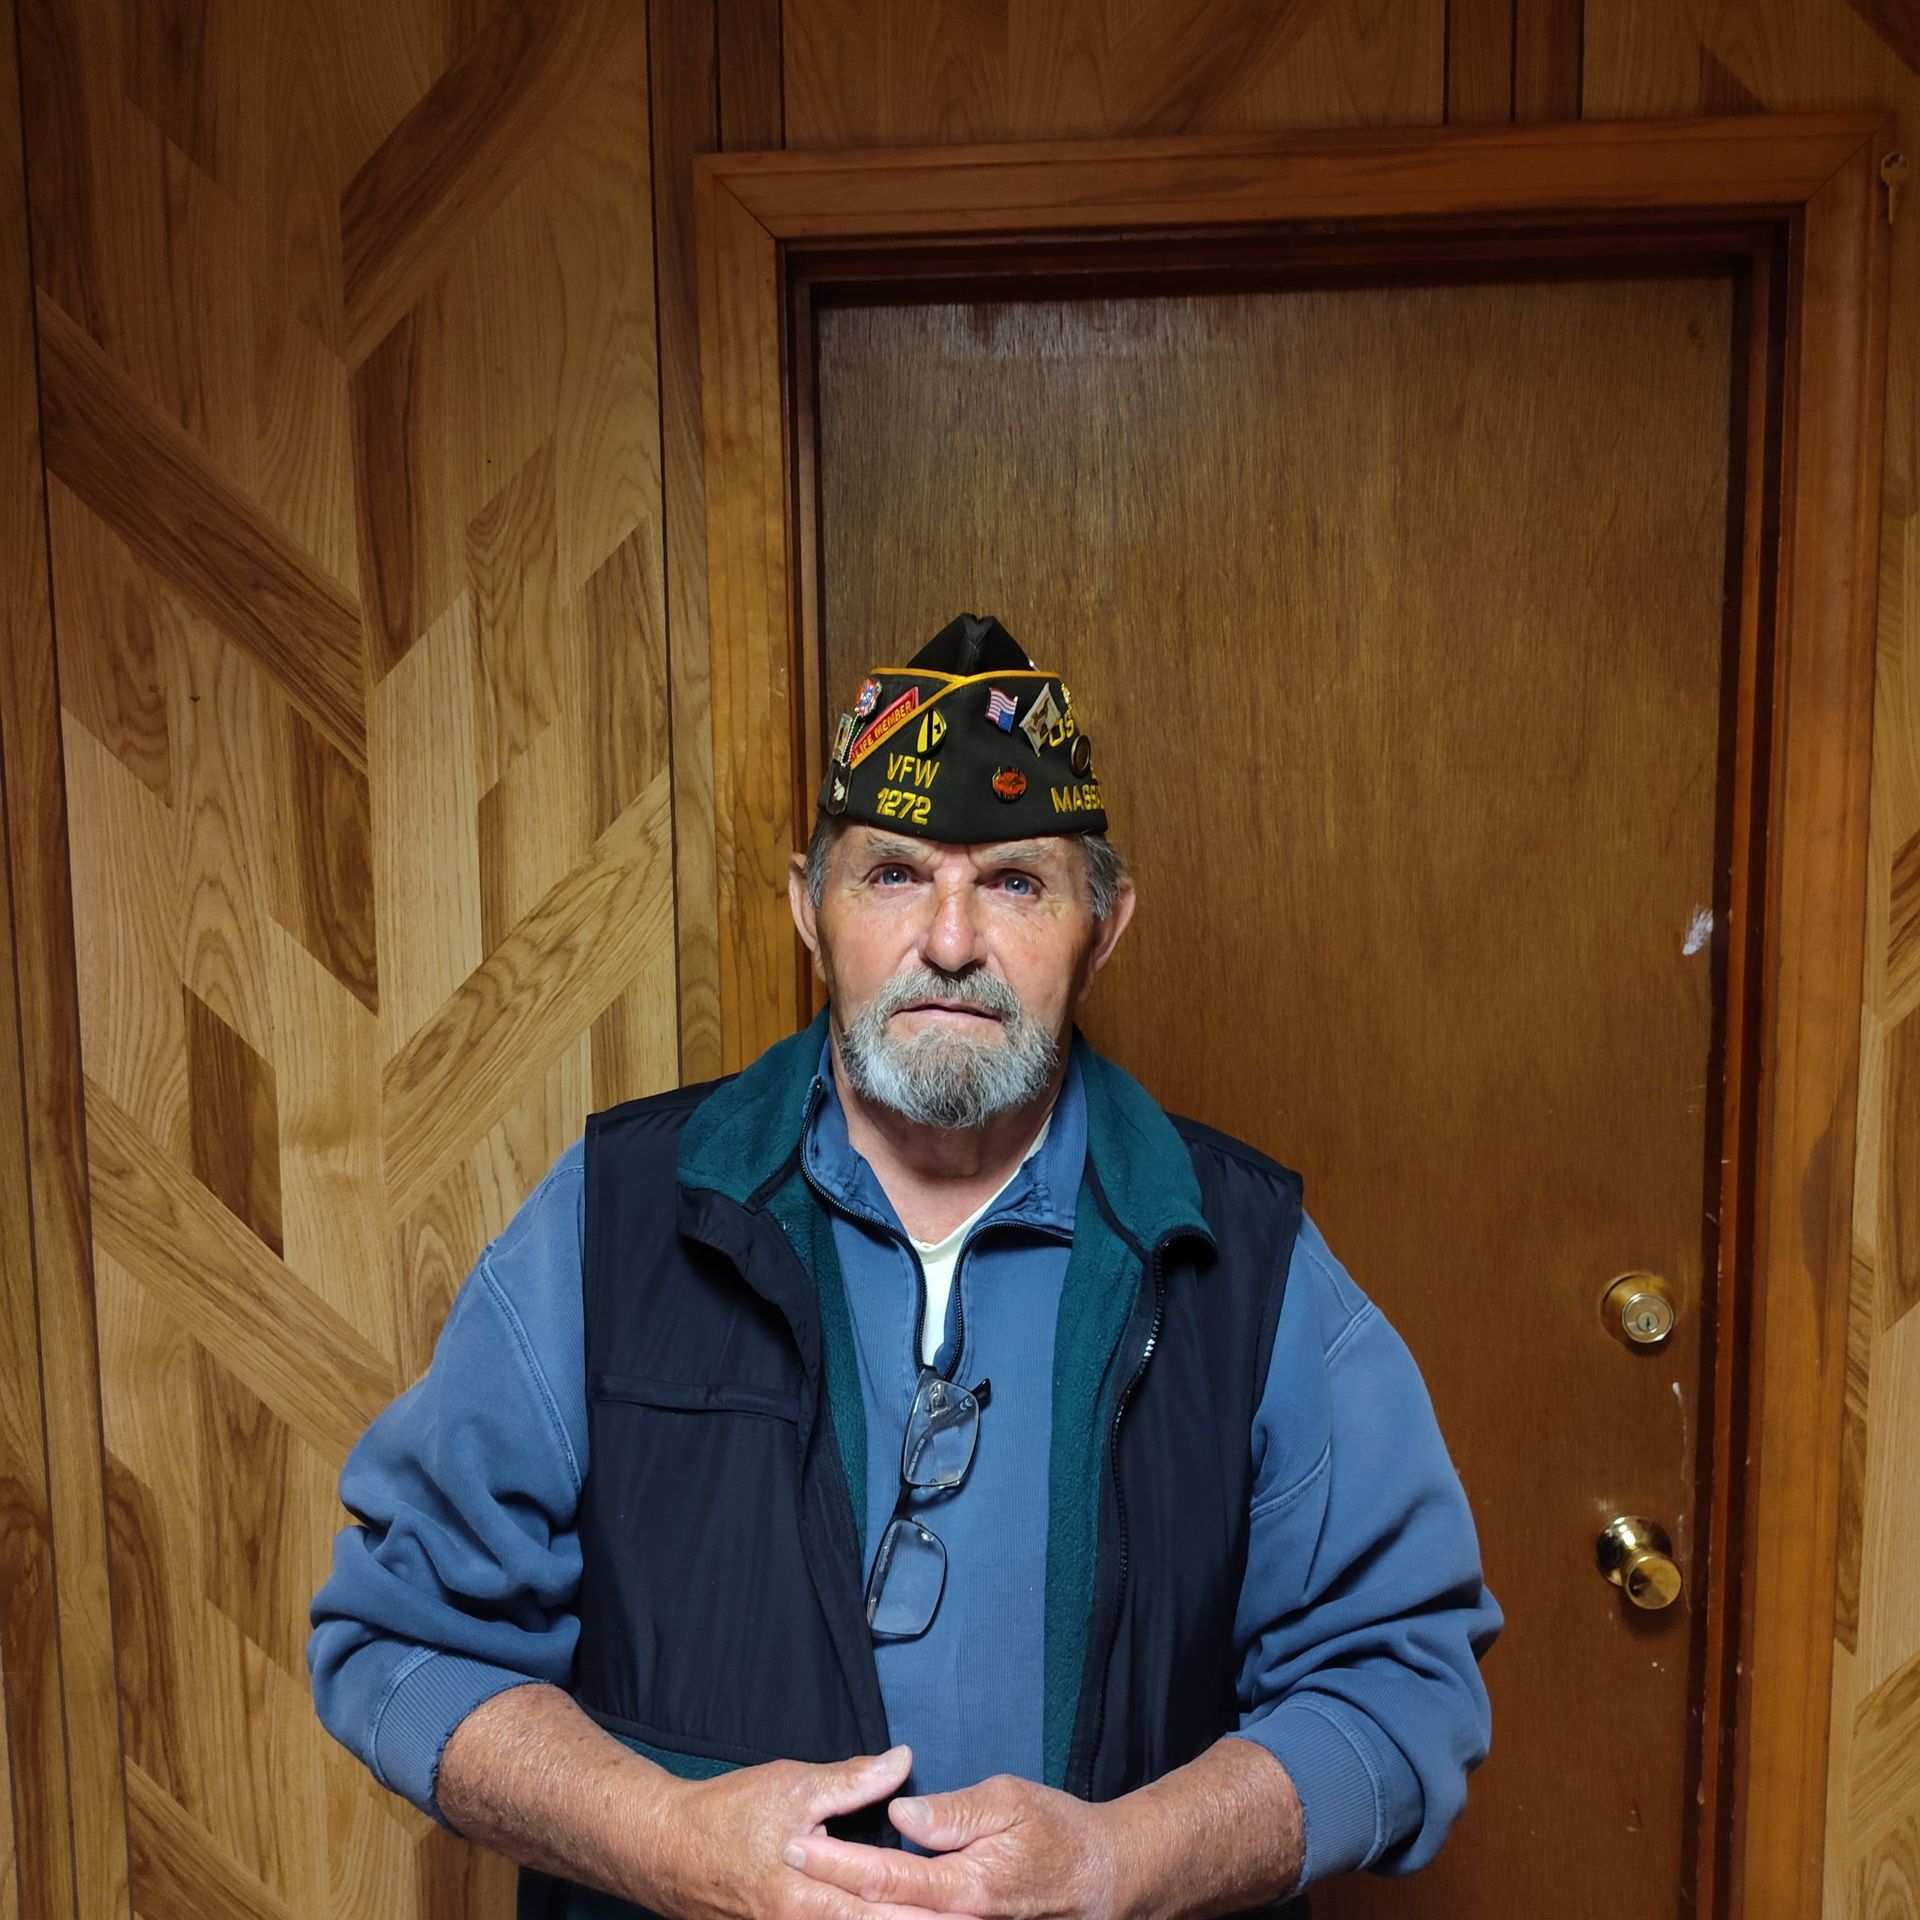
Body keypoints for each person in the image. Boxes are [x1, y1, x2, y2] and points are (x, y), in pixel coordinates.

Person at [310, 612, 1500, 1920]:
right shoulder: (610, 1223)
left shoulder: (1246, 1255)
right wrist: (659, 1838)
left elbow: (1405, 1686)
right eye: (891, 876)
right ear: (808, 913)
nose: (948, 940)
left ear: (1104, 928)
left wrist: (1125, 1865)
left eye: (1015, 883)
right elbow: (398, 1643)